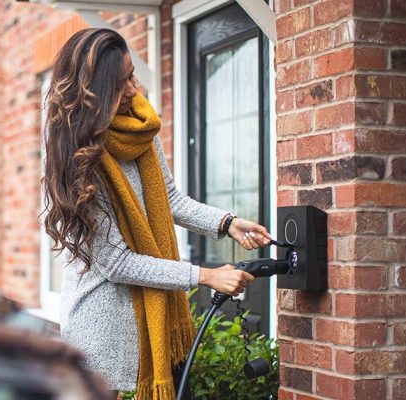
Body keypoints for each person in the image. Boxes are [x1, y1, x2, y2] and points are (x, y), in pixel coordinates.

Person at [41, 28, 271, 400]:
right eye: (120, 83)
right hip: (100, 329)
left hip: (149, 321)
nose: (133, 90)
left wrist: (227, 223)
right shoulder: (77, 161)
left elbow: (171, 199)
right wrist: (206, 275)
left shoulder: (140, 128)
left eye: (132, 75)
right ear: (93, 94)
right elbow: (117, 263)